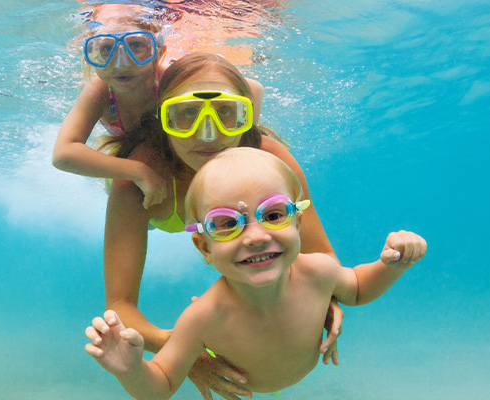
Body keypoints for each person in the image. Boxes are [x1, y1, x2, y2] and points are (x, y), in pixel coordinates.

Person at [86, 147, 428, 399]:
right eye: (226, 224)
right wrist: (131, 371)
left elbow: (356, 289)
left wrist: (391, 265)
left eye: (274, 215)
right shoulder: (202, 317)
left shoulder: (319, 272)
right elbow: (161, 384)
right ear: (204, 248)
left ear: (298, 222)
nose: (255, 236)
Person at [97, 52, 341, 400]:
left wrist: (325, 298)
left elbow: (321, 257)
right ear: (163, 119)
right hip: (163, 214)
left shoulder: (272, 162)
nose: (208, 134)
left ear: (246, 115)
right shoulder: (135, 182)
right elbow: (119, 305)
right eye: (186, 115)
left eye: (226, 112)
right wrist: (182, 348)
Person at [53, 4, 267, 209]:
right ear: (91, 56)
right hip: (134, 155)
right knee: (128, 195)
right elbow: (63, 154)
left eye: (136, 46)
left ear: (159, 51)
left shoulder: (168, 77)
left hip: (176, 151)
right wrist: (138, 171)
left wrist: (240, 149)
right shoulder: (99, 91)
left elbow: (254, 89)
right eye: (106, 48)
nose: (121, 62)